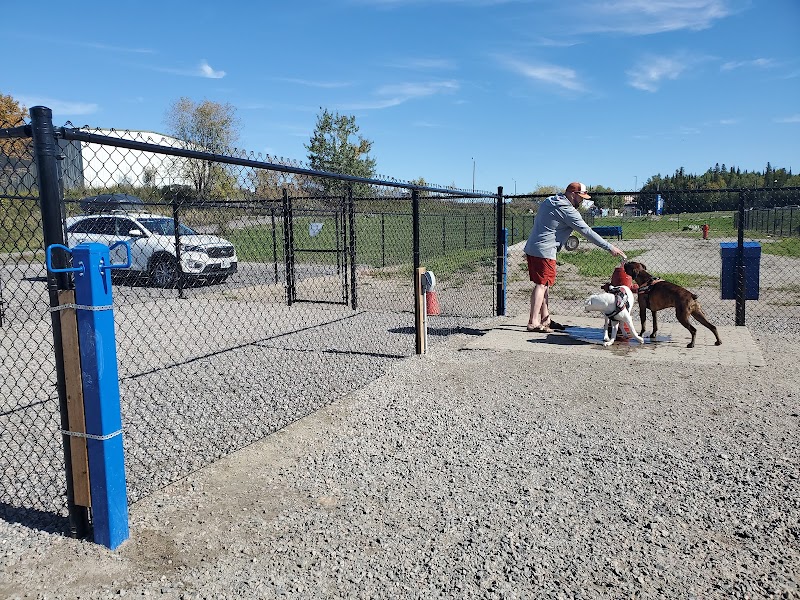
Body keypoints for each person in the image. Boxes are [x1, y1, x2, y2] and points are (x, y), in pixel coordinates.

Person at [524, 182, 627, 332]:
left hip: (532, 247)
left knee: (544, 285)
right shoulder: (567, 210)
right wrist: (610, 247)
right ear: (572, 194)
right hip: (545, 251)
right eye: (581, 197)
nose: (583, 200)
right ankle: (533, 322)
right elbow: (587, 231)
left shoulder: (550, 201)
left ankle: (545, 320)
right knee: (541, 285)